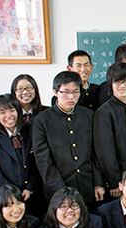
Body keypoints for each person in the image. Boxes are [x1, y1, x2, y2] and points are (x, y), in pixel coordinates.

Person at [32, 71, 104, 209]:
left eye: (75, 92)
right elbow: (43, 161)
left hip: (88, 187)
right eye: (65, 92)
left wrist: (98, 183)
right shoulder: (42, 121)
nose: (71, 97)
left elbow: (95, 153)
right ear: (55, 92)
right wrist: (61, 192)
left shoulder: (88, 115)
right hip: (58, 191)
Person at [0, 95, 43, 217]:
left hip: (30, 196)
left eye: (12, 110)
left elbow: (37, 163)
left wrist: (30, 187)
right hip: (3, 198)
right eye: (2, 112)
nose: (8, 116)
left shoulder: (29, 130)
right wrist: (12, 193)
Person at [93, 61, 126, 197]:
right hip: (119, 179)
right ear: (110, 84)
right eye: (117, 82)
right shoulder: (103, 112)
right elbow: (105, 152)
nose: (122, 86)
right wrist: (114, 181)